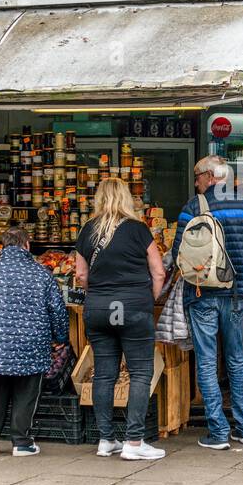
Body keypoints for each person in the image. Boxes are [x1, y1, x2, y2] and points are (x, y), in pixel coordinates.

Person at [171, 155, 243, 450]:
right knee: (237, 359)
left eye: (197, 177)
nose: (196, 183)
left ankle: (218, 432)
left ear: (209, 176)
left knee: (208, 362)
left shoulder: (194, 207)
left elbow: (178, 254)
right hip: (237, 294)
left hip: (203, 294)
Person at [74, 177, 167, 461]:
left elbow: (80, 275)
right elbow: (159, 272)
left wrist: (100, 294)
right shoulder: (139, 230)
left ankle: (106, 439)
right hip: (133, 307)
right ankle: (134, 442)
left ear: (99, 199)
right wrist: (146, 299)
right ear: (126, 198)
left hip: (99, 309)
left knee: (104, 373)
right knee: (140, 372)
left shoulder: (87, 230)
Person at [0, 225, 68, 457]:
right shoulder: (42, 274)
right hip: (31, 345)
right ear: (27, 245)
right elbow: (57, 311)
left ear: (3, 246)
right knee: (26, 393)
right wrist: (60, 337)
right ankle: (21, 442)